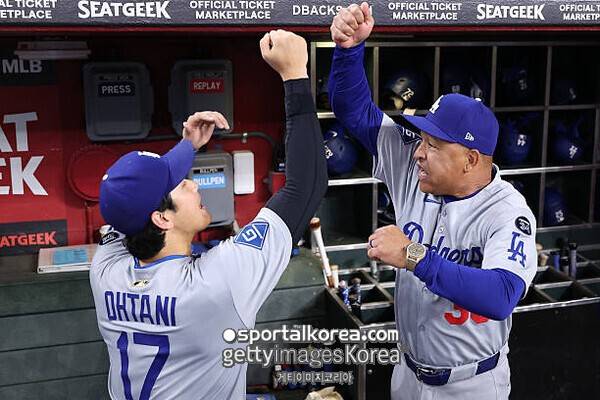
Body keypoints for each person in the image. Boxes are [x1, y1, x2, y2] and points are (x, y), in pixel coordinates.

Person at [89, 30, 327, 400]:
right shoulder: (216, 283)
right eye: (179, 183)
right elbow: (305, 186)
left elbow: (125, 206)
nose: (192, 183)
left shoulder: (107, 269)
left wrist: (187, 146)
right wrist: (295, 75)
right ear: (161, 219)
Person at [329, 3, 536, 399]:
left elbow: (501, 295)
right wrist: (348, 50)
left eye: (434, 145)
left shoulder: (506, 211)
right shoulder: (415, 167)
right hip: (408, 374)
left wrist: (413, 256)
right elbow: (354, 111)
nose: (419, 153)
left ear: (470, 160)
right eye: (421, 139)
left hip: (471, 384)